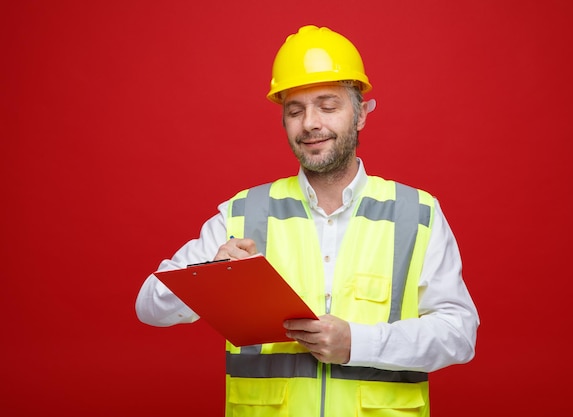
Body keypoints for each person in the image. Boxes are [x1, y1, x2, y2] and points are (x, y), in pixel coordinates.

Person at [136, 25, 479, 417]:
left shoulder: (417, 213)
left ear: (362, 114)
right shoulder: (243, 213)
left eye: (327, 106)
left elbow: (459, 334)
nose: (310, 123)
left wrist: (358, 343)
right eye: (295, 111)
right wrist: (213, 273)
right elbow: (149, 306)